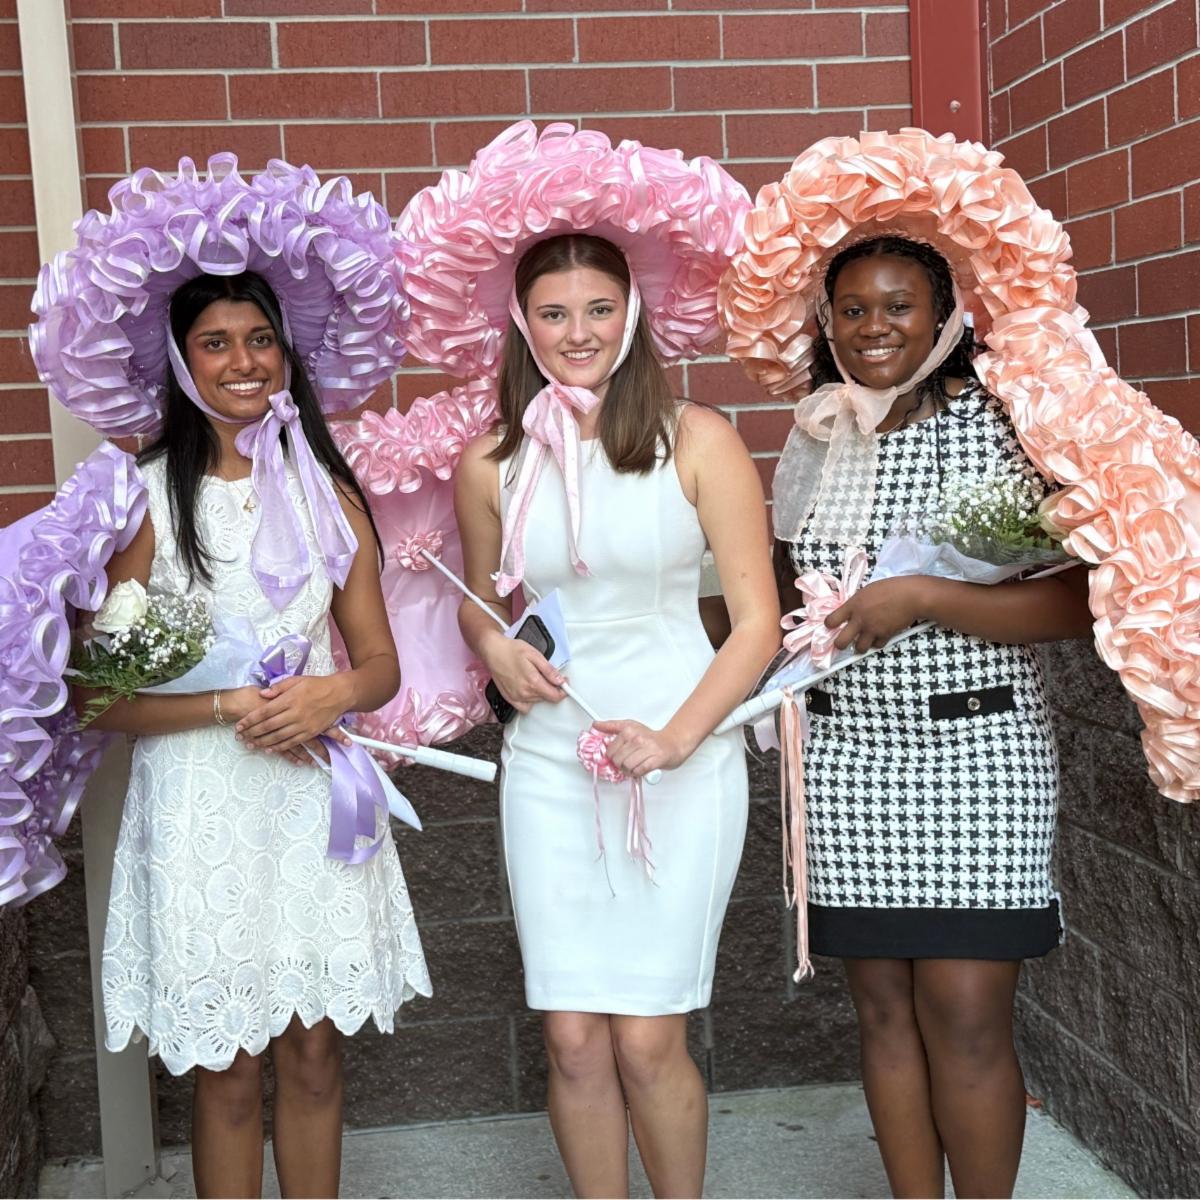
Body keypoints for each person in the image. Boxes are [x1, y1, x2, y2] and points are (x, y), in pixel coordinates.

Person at [21, 156, 430, 1200]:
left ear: (286, 352)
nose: (243, 361)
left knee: (314, 1054)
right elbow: (97, 696)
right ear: (179, 358)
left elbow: (380, 664)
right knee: (229, 1067)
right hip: (203, 802)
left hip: (309, 801)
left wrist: (334, 693)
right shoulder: (144, 501)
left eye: (260, 339)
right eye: (216, 342)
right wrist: (223, 702)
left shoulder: (330, 494)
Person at [454, 231, 778, 1197]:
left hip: (682, 755)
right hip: (552, 762)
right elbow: (480, 608)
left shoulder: (699, 439)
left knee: (645, 1038)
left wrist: (675, 739)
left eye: (599, 309)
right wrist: (496, 653)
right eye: (553, 313)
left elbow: (757, 624)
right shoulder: (491, 464)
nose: (578, 332)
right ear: (523, 326)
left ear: (632, 314)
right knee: (572, 1038)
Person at [769, 234, 1093, 1198]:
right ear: (827, 325)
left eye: (899, 305)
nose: (875, 327)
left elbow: (1077, 603)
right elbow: (786, 589)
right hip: (846, 755)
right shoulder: (819, 434)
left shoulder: (1000, 426)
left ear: (944, 319)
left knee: (964, 1010)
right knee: (882, 1012)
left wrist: (921, 597)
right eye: (853, 310)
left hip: (978, 749)